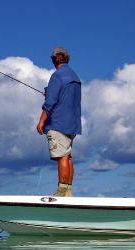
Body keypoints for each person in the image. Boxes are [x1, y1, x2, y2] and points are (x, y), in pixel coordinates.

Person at [37, 47, 81, 197]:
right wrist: (49, 90)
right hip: (72, 124)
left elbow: (50, 102)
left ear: (53, 60)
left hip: (58, 123)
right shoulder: (75, 77)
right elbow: (64, 95)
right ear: (67, 58)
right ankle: (68, 190)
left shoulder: (57, 76)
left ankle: (61, 192)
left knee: (62, 156)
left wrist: (41, 121)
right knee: (68, 156)